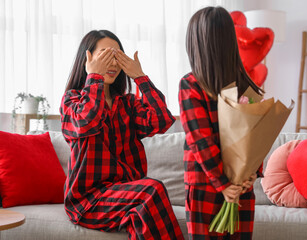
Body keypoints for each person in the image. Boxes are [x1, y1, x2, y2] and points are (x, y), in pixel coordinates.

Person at [60, 30, 184, 240]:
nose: (113, 62)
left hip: (129, 194)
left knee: (142, 213)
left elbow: (162, 120)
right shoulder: (71, 101)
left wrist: (140, 77)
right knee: (151, 190)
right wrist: (94, 77)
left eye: (117, 56)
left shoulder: (128, 104)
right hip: (89, 201)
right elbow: (85, 122)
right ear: (87, 59)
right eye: (105, 55)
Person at [179, 7, 264, 240]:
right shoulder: (245, 84)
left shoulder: (190, 84)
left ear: (196, 43)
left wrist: (246, 177)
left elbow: (200, 141)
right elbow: (256, 138)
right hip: (229, 182)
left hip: (211, 182)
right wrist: (243, 176)